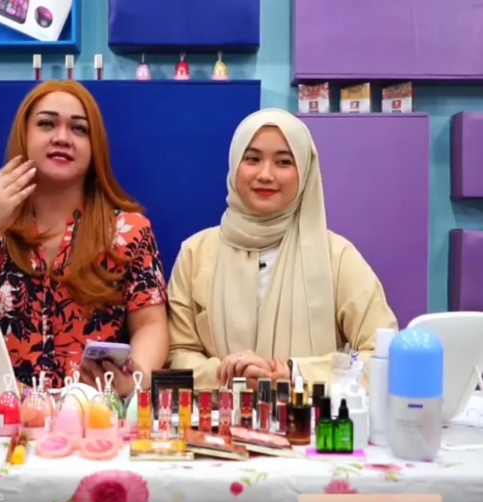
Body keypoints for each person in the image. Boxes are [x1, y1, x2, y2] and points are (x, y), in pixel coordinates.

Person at [0, 80, 169, 395]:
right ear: (24, 136)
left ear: (94, 147)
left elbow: (151, 324)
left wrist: (134, 378)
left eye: (79, 129)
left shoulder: (129, 231)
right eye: (47, 124)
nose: (62, 138)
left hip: (93, 411)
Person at [168, 108, 398, 389]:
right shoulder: (195, 253)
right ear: (234, 165)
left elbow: (384, 355)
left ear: (304, 173)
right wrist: (232, 375)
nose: (265, 175)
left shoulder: (337, 257)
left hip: (308, 415)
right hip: (218, 414)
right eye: (252, 159)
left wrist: (294, 373)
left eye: (284, 162)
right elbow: (177, 354)